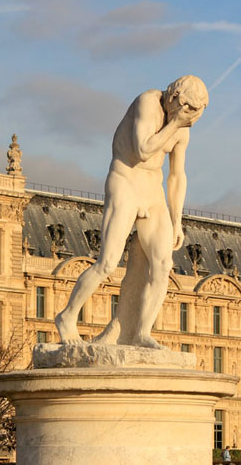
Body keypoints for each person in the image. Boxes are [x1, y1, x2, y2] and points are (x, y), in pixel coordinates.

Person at [55, 76, 208, 347]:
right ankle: (67, 317)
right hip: (125, 178)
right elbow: (143, 150)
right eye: (189, 113)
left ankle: (141, 333)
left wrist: (177, 221)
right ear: (175, 100)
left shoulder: (183, 126)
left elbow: (177, 176)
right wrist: (175, 124)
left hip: (152, 187)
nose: (191, 121)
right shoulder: (147, 103)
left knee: (162, 265)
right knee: (107, 262)